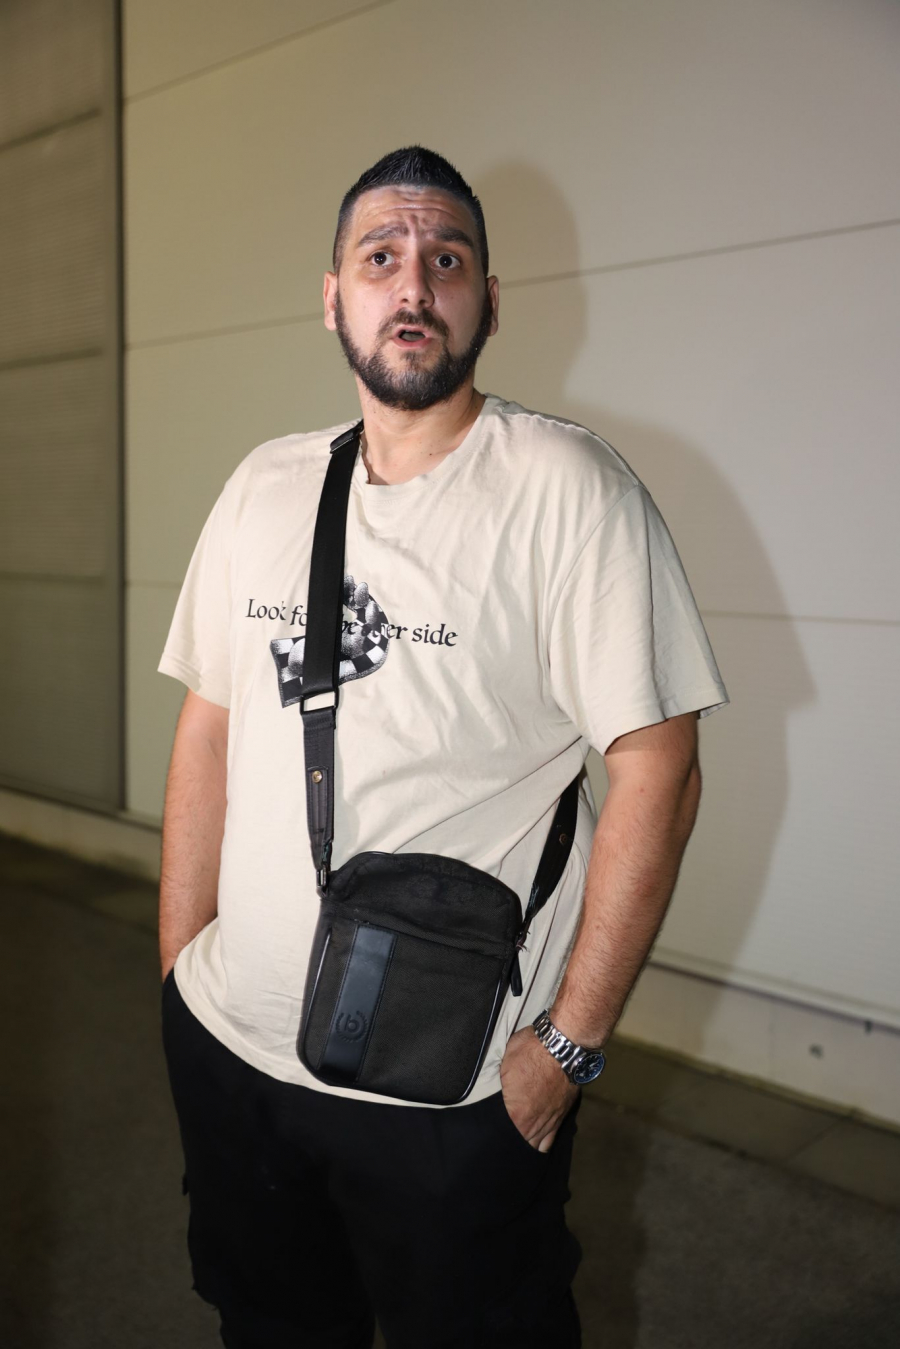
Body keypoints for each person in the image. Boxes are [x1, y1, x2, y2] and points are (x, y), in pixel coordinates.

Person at [157, 145, 729, 1349]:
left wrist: (565, 1049)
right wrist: (178, 970)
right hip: (236, 1058)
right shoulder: (263, 486)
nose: (413, 285)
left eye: (447, 259)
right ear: (333, 298)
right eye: (381, 258)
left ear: (488, 301)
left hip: (453, 1090)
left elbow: (661, 771)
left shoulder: (569, 490)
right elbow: (209, 723)